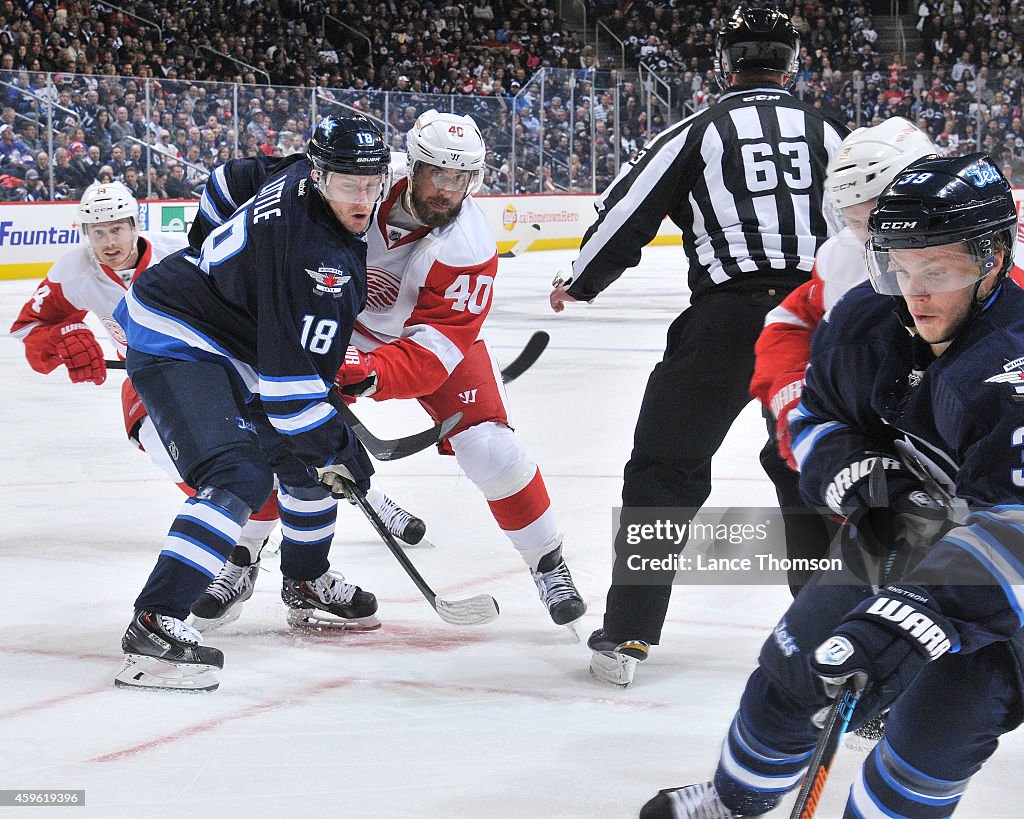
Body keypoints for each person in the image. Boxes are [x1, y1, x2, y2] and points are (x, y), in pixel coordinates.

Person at [640, 153, 1024, 818]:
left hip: (1006, 605)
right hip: (898, 533)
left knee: (928, 748)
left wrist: (910, 615)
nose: (915, 292)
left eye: (939, 269)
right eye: (899, 266)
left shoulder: (1010, 366)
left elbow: (1016, 529)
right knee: (792, 670)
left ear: (993, 259)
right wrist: (860, 478)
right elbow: (818, 414)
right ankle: (737, 801)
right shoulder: (865, 323)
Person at [191, 109, 586, 633]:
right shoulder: (361, 178)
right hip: (337, 322)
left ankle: (548, 564)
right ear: (412, 167)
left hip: (422, 342)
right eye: (440, 175)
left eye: (464, 178)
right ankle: (243, 559)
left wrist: (365, 370)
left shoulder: (469, 246)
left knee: (492, 449)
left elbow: (434, 353)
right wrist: (202, 251)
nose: (450, 190)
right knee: (271, 437)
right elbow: (237, 180)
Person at [549, 5, 848, 686]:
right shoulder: (833, 132)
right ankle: (832, 640)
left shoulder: (700, 130)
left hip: (725, 321)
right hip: (816, 324)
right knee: (811, 474)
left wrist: (582, 279)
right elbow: (879, 218)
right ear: (792, 63)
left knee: (664, 470)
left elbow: (627, 211)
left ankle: (628, 633)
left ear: (725, 63)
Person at [110, 116, 392, 691]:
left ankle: (306, 578)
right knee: (239, 472)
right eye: (347, 185)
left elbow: (228, 177)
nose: (362, 198)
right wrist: (344, 451)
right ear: (319, 176)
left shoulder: (298, 173)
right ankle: (153, 627)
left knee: (304, 460)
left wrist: (213, 261)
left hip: (230, 336)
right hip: (176, 331)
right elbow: (292, 399)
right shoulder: (320, 264)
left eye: (372, 183)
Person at [750, 117, 939, 595]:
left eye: (874, 213)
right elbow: (790, 323)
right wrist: (794, 396)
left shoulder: (994, 257)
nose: (866, 233)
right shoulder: (844, 257)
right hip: (864, 462)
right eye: (854, 219)